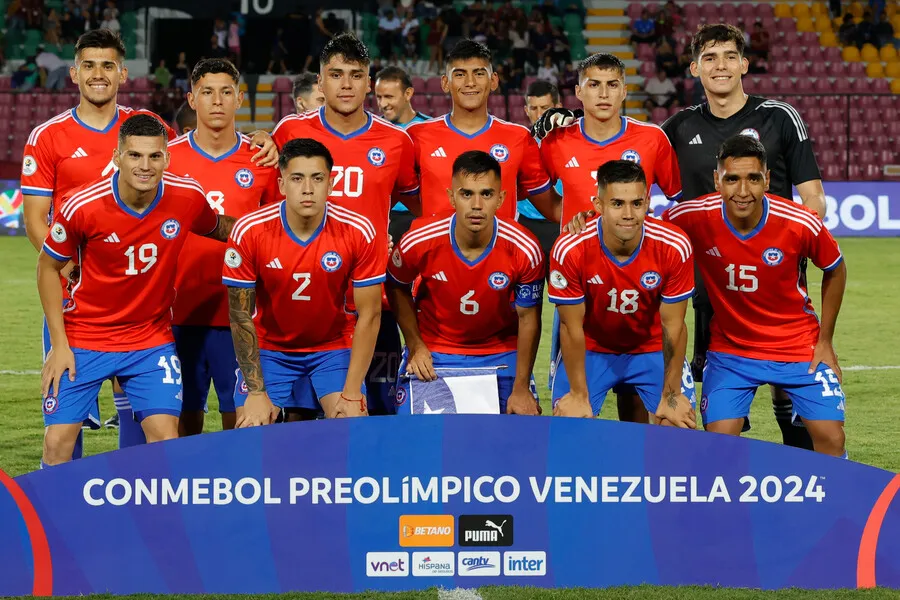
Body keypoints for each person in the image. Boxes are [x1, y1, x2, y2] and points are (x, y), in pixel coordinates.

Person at [21, 30, 278, 453]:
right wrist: (71, 266)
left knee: (149, 423)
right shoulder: (49, 138)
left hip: (148, 320)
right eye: (89, 65)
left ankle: (141, 501)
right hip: (79, 306)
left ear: (123, 73)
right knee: (65, 432)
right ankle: (64, 508)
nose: (145, 163)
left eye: (108, 65)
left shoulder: (152, 132)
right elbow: (37, 223)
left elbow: (215, 202)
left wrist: (262, 140)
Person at [661, 24, 826, 451]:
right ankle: (723, 477)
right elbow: (626, 163)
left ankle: (800, 466)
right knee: (712, 379)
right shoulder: (676, 128)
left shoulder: (779, 117)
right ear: (695, 67)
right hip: (707, 276)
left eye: (730, 56)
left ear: (744, 65)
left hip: (775, 271)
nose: (721, 65)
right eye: (710, 57)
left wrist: (790, 246)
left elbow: (814, 198)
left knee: (786, 379)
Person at [37, 114, 235, 466]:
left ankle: (158, 519)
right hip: (84, 337)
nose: (145, 166)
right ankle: (53, 522)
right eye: (134, 156)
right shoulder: (83, 205)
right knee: (57, 443)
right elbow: (48, 268)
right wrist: (59, 346)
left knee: (165, 438)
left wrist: (277, 229)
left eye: (154, 156)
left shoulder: (186, 196)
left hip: (149, 340)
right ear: (117, 157)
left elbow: (219, 227)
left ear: (167, 157)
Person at [663, 136, 847, 456]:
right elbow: (643, 233)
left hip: (797, 345)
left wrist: (825, 341)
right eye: (733, 179)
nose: (743, 191)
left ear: (768, 180)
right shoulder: (691, 216)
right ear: (717, 179)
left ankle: (831, 504)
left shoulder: (799, 222)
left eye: (753, 178)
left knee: (832, 439)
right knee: (718, 444)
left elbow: (835, 268)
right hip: (731, 350)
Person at [271, 33, 420, 418]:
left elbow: (420, 204)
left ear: (368, 82)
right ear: (320, 82)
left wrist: (400, 246)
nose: (347, 84)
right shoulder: (290, 132)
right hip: (305, 300)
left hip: (372, 300)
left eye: (355, 75)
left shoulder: (395, 141)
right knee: (300, 422)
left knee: (378, 414)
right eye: (336, 75)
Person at [535, 53, 683, 418]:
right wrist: (569, 221)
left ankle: (634, 465)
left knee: (638, 404)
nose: (603, 94)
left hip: (639, 283)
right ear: (577, 92)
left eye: (612, 85)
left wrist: (647, 231)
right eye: (594, 85)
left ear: (624, 93)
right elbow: (542, 196)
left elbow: (678, 204)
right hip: (581, 282)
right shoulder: (556, 142)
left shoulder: (652, 139)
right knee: (575, 404)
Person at [223, 139, 384, 425]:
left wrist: (351, 393)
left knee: (353, 424)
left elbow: (369, 314)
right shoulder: (250, 230)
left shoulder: (359, 230)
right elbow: (240, 315)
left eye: (317, 178)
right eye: (297, 179)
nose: (307, 189)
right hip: (270, 349)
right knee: (250, 428)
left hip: (332, 348)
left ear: (331, 184)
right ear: (282, 185)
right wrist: (257, 392)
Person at [166, 58, 282, 436]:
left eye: (226, 92)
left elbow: (275, 234)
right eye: (207, 93)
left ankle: (237, 492)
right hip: (178, 311)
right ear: (192, 99)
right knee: (185, 420)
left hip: (241, 315)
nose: (217, 101)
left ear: (239, 99)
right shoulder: (168, 158)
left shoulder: (262, 159)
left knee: (242, 420)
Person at [386, 150, 543, 415]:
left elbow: (529, 319)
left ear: (501, 199)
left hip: (501, 353)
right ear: (452, 196)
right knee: (416, 440)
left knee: (519, 445)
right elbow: (395, 285)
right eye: (467, 194)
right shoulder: (419, 240)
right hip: (435, 352)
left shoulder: (525, 248)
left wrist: (521, 387)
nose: (477, 205)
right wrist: (415, 345)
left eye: (487, 194)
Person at [549, 160, 695, 427]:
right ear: (598, 205)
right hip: (592, 348)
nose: (628, 213)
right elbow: (571, 328)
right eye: (617, 203)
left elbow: (673, 325)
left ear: (648, 202)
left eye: (636, 203)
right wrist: (579, 395)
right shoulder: (570, 249)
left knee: (678, 424)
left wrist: (671, 394)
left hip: (650, 347)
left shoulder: (674, 245)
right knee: (570, 424)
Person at [406, 39, 556, 221]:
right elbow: (396, 197)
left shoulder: (519, 137)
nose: (470, 82)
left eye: (479, 73)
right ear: (445, 83)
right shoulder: (416, 136)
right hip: (435, 248)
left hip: (499, 248)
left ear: (493, 81)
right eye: (460, 74)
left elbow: (553, 208)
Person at [373, 65, 430, 243]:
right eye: (379, 97)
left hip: (418, 217)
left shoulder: (431, 130)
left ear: (408, 94)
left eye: (389, 97)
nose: (382, 104)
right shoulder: (371, 131)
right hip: (381, 218)